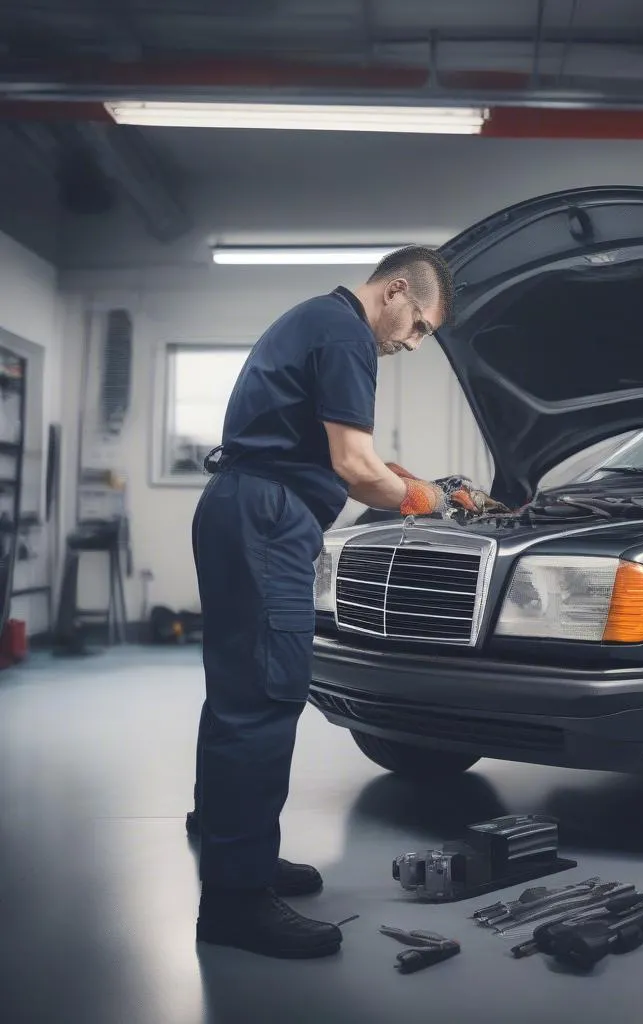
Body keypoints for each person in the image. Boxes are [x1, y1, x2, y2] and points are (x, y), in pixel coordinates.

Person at [186, 246, 500, 960]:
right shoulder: (347, 336)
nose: (413, 344)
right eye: (419, 326)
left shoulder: (319, 325)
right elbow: (352, 466)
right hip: (267, 518)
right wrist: (430, 502)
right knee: (264, 697)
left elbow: (346, 453)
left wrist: (412, 480)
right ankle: (236, 902)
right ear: (395, 292)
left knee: (237, 695)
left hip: (246, 507)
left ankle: (237, 851)